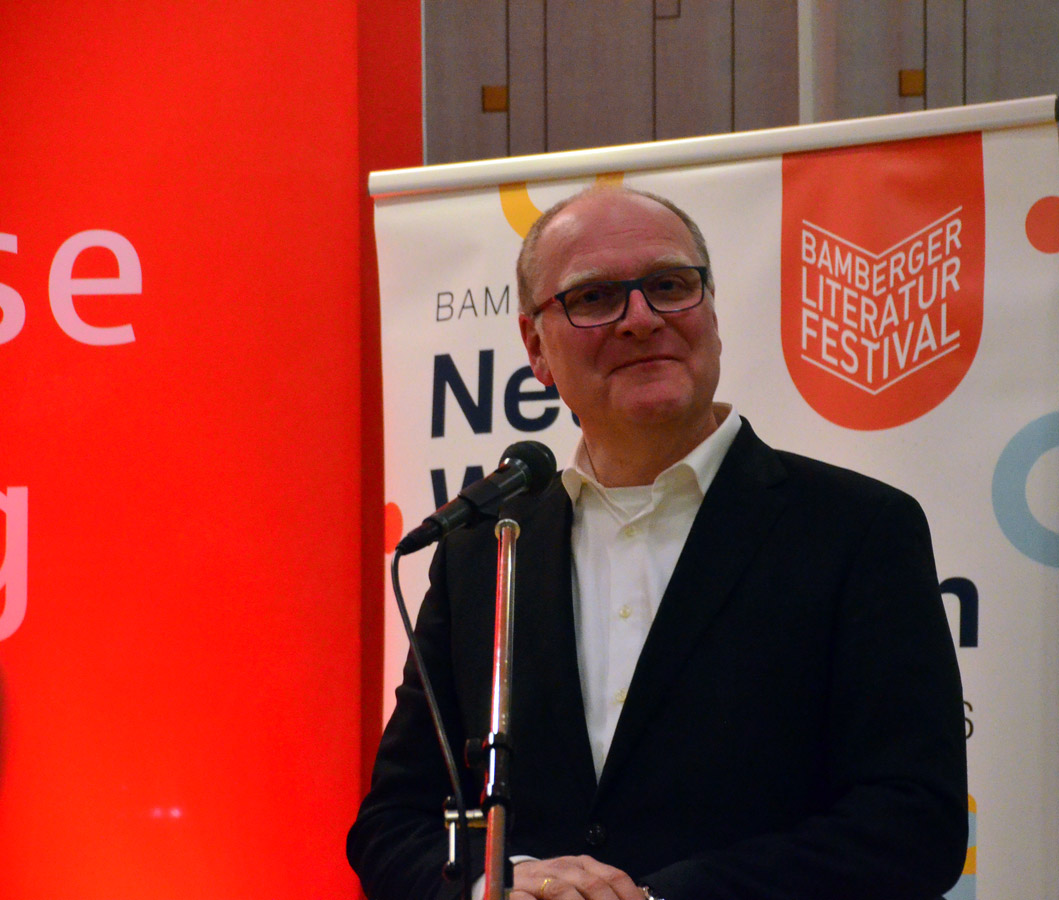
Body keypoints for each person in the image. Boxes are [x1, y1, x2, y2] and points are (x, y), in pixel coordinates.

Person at [348, 186, 968, 900]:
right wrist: (500, 885)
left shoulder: (858, 529)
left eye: (670, 286)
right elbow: (392, 826)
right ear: (535, 348)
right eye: (595, 297)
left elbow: (913, 823)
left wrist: (661, 898)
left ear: (712, 314)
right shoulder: (482, 553)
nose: (641, 319)